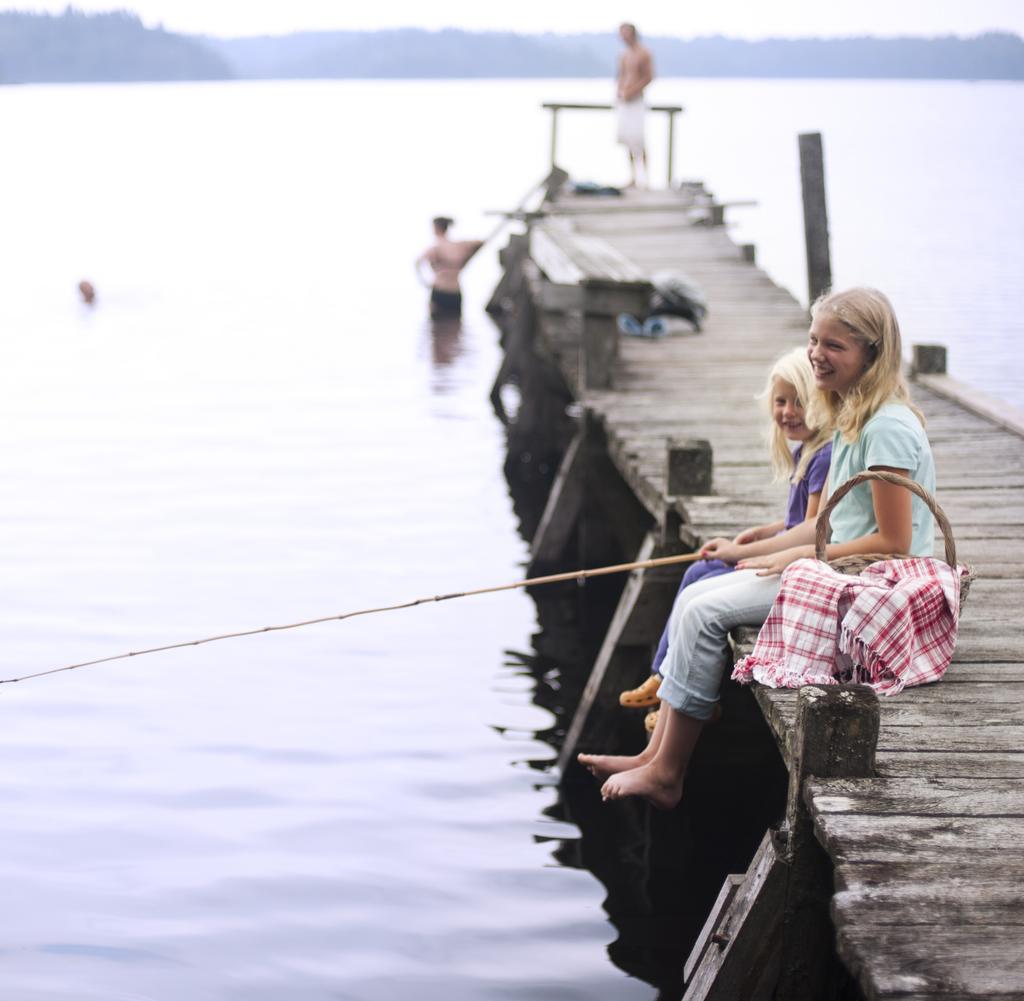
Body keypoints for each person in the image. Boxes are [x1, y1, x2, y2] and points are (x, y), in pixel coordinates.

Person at [580, 287, 936, 809]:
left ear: (872, 353)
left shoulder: (884, 428)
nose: (817, 353)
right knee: (698, 598)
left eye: (835, 346)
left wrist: (797, 558)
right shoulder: (856, 414)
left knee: (704, 615)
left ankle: (668, 773)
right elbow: (826, 523)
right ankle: (653, 755)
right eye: (814, 340)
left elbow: (894, 543)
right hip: (840, 567)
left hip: (870, 585)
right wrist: (772, 544)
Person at [620, 347, 833, 719]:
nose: (788, 412)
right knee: (697, 572)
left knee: (701, 581)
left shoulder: (824, 456)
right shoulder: (806, 452)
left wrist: (737, 554)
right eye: (780, 401)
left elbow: (812, 529)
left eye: (799, 402)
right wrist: (760, 532)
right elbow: (796, 520)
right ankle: (664, 676)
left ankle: (677, 683)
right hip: (786, 550)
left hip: (796, 565)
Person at [416, 217, 483, 319]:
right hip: (455, 292)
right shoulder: (460, 246)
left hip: (440, 290)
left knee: (436, 328)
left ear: (436, 228)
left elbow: (417, 263)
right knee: (455, 327)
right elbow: (480, 243)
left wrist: (424, 282)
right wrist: (465, 259)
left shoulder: (434, 248)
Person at [615, 23, 654, 189]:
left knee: (639, 139)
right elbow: (621, 76)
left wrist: (631, 91)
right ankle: (632, 177)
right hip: (623, 102)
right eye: (621, 33)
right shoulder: (624, 54)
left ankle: (645, 178)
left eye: (625, 33)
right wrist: (620, 91)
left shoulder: (644, 53)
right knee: (628, 140)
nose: (622, 36)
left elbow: (648, 77)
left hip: (637, 101)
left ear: (633, 33)